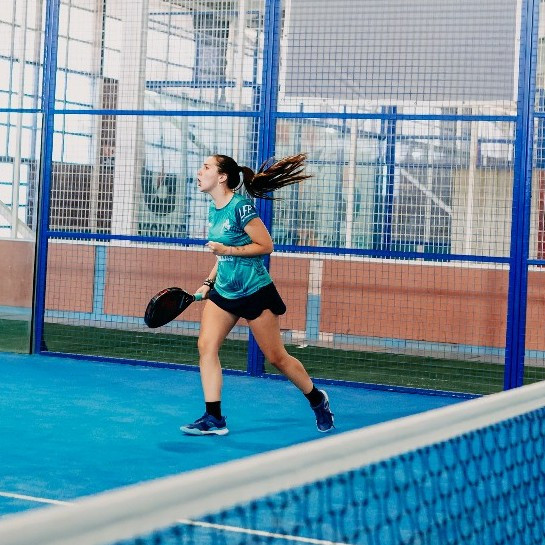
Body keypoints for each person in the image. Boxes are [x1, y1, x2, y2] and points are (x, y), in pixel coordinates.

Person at [180, 153, 335, 436]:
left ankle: (317, 399)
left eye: (206, 167)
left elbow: (265, 245)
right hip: (224, 291)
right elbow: (222, 255)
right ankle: (214, 417)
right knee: (206, 346)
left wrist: (227, 250)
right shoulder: (214, 208)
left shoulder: (241, 207)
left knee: (276, 358)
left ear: (222, 177)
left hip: (255, 291)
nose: (199, 172)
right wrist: (208, 282)